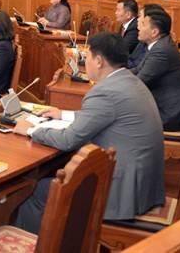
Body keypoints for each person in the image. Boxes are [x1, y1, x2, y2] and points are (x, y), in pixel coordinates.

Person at [13, 32, 165, 230]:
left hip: (122, 192)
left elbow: (68, 140)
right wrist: (63, 114)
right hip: (145, 185)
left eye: (87, 56)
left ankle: (41, 242)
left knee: (38, 191)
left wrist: (32, 130)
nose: (85, 62)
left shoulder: (105, 92)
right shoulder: (129, 80)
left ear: (99, 61)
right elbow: (103, 116)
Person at [132, 10, 180, 131]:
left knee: (120, 116)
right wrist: (113, 75)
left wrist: (110, 82)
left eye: (143, 24)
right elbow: (137, 70)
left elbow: (138, 83)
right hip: (164, 102)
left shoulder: (161, 51)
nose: (138, 27)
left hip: (170, 113)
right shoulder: (159, 44)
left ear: (154, 32)